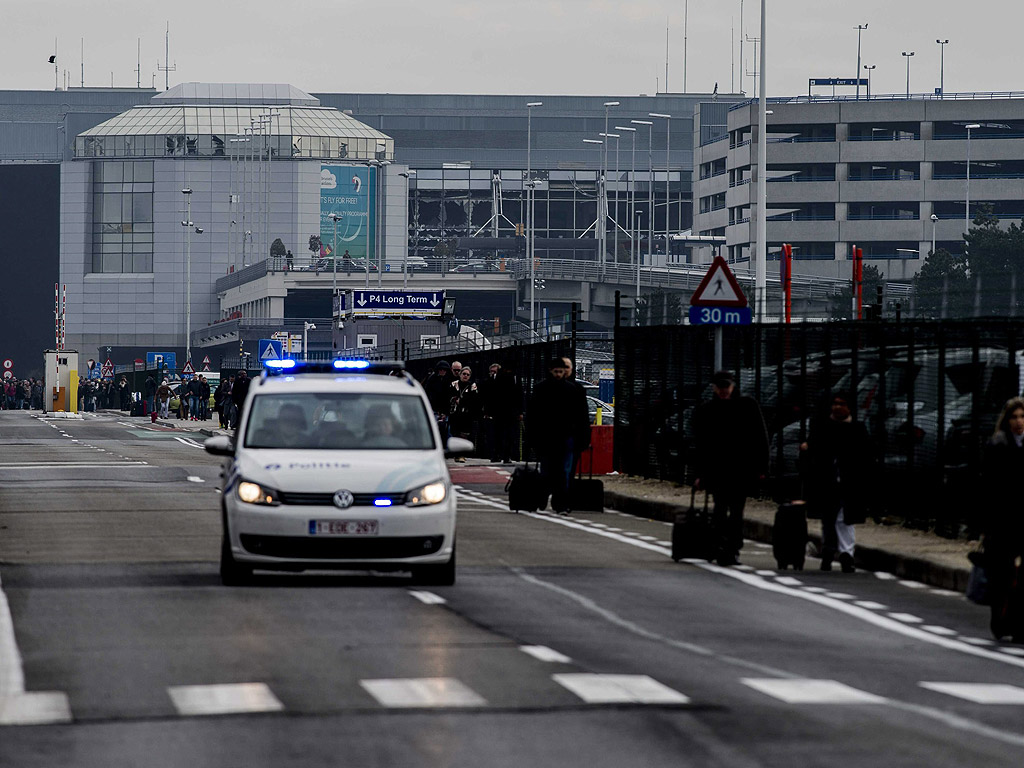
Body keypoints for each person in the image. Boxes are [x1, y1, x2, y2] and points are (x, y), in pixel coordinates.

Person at [692, 370, 769, 567]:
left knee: (734, 511)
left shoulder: (745, 406)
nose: (724, 391)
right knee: (721, 509)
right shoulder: (709, 410)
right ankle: (723, 546)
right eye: (721, 387)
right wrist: (700, 473)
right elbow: (701, 445)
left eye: (726, 387)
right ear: (715, 388)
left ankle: (730, 548)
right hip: (719, 470)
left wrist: (761, 467)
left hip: (739, 470)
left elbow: (760, 438)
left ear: (732, 386)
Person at [801, 390, 876, 573]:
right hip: (826, 480)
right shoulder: (823, 427)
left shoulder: (857, 429)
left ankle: (844, 553)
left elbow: (866, 456)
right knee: (829, 517)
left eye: (842, 404)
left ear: (849, 407)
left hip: (849, 482)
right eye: (835, 403)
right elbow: (812, 452)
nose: (837, 407)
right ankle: (832, 551)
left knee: (845, 518)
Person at [981, 397, 1024, 641]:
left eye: (1022, 417)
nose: (1019, 422)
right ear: (1007, 420)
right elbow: (988, 487)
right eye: (1014, 417)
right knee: (1003, 575)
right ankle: (1000, 619)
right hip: (1003, 522)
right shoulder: (998, 446)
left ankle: (1019, 625)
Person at [526, 357, 591, 515]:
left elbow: (581, 417)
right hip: (556, 437)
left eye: (560, 371)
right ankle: (557, 503)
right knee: (556, 471)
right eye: (557, 372)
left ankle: (553, 502)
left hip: (556, 437)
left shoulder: (544, 389)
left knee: (559, 471)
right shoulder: (571, 390)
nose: (558, 374)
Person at [479, 363, 524, 464]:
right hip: (502, 411)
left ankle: (502, 455)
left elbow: (519, 395)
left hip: (505, 411)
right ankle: (500, 455)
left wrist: (519, 411)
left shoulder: (507, 378)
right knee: (501, 434)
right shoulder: (511, 378)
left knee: (505, 434)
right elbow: (491, 396)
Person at [449, 366, 479, 462]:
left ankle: (461, 454)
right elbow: (449, 396)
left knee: (464, 434)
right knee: (455, 433)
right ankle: (456, 454)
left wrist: (461, 401)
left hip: (466, 414)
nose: (465, 376)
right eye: (464, 374)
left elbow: (474, 400)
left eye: (467, 374)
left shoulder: (472, 386)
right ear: (460, 374)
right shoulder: (454, 384)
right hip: (455, 413)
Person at [424, 360, 454, 441]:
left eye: (444, 370)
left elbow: (449, 398)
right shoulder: (432, 379)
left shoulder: (449, 381)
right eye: (441, 369)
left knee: (446, 432)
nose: (442, 371)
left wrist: (445, 412)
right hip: (434, 409)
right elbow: (427, 393)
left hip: (445, 411)